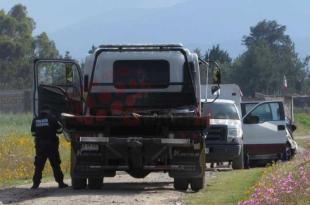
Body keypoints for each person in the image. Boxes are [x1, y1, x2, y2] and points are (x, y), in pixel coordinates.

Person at [31, 105, 68, 189]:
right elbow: (59, 130)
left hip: (40, 146)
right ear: (48, 110)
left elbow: (33, 133)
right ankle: (60, 183)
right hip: (51, 145)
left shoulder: (35, 120)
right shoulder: (52, 118)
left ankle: (35, 184)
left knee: (39, 165)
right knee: (55, 164)